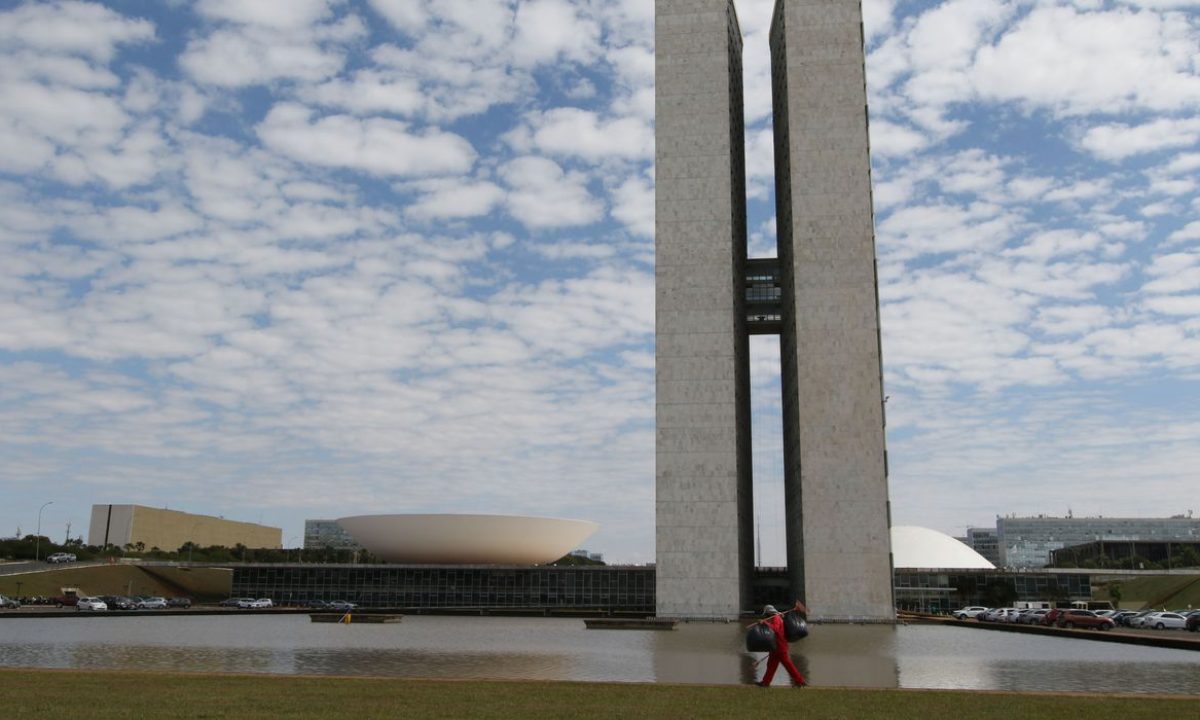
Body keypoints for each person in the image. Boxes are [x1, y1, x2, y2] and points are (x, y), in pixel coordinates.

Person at [753, 600, 808, 687]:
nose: (766, 616)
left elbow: (776, 629)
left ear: (769, 613)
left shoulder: (776, 618)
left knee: (789, 666)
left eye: (766, 614)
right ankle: (765, 682)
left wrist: (765, 623)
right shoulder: (774, 618)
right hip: (775, 647)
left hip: (781, 647)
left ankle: (800, 681)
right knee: (771, 665)